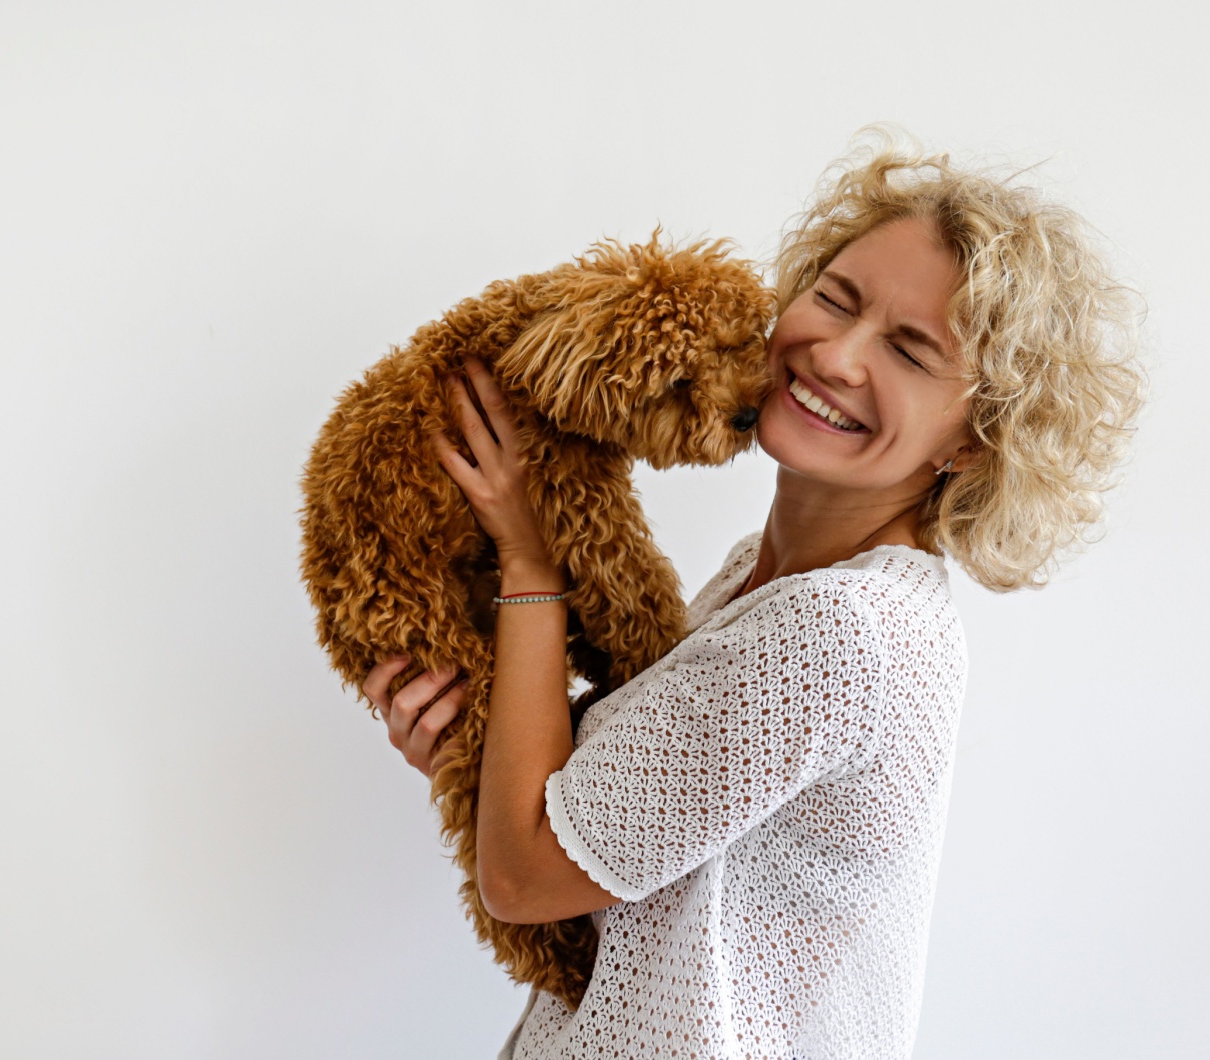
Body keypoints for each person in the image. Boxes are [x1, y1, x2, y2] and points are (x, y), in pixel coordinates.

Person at [360, 133, 1145, 1059]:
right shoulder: (763, 575)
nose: (837, 355)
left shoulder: (840, 631)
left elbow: (525, 879)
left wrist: (530, 564)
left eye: (908, 349)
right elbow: (616, 823)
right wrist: (480, 755)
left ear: (972, 440)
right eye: (835, 298)